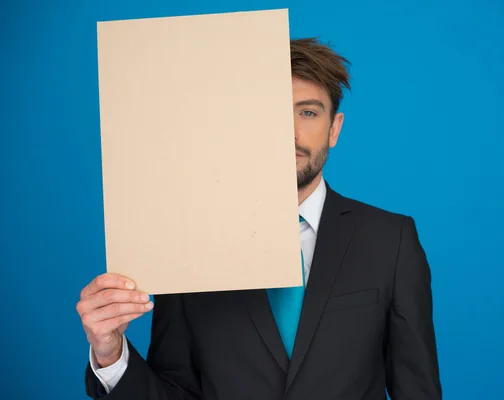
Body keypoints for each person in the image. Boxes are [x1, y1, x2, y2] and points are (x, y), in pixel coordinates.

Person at [77, 37, 442, 400]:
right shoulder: (190, 243)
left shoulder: (390, 240)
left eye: (309, 112)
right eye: (274, 113)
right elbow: (174, 392)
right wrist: (110, 354)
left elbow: (418, 390)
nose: (291, 132)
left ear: (334, 129)